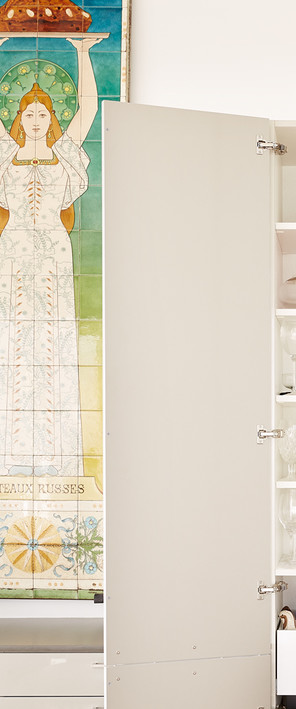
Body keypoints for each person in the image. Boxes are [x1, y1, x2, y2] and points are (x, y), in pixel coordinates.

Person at [0, 36, 100, 477]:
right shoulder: (6, 155)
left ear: (52, 118)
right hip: (13, 255)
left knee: (52, 345)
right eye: (29, 112)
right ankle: (13, 454)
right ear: (19, 118)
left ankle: (54, 458)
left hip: (55, 257)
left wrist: (83, 54)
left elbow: (90, 112)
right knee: (12, 345)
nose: (37, 118)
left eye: (44, 112)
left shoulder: (64, 156)